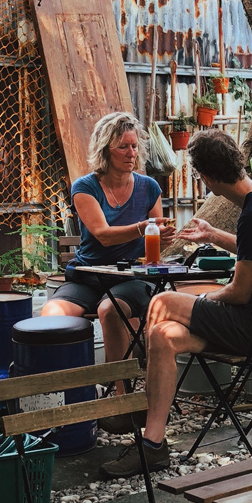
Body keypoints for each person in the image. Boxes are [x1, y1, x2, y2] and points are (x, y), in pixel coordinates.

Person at [101, 129, 252, 477]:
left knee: (164, 301)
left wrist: (200, 300)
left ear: (207, 178)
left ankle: (135, 394)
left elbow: (238, 293)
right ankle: (152, 443)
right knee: (164, 335)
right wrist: (212, 235)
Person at [42, 112, 175, 431]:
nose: (131, 153)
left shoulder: (149, 187)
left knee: (110, 310)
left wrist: (163, 236)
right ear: (105, 150)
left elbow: (155, 239)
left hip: (132, 276)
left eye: (134, 146)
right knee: (51, 314)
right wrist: (144, 227)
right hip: (88, 275)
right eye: (123, 147)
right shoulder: (85, 186)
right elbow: (102, 234)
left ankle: (120, 398)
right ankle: (66, 393)